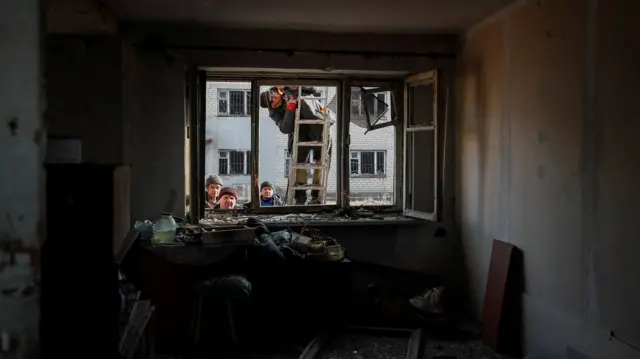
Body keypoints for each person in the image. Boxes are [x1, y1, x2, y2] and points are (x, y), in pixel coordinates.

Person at [259, 86, 333, 205]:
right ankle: (300, 197)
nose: (275, 95)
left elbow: (313, 90)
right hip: (300, 131)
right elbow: (285, 128)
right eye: (272, 98)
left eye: (273, 93)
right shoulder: (275, 112)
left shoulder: (287, 90)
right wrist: (290, 107)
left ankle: (316, 197)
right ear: (272, 105)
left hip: (319, 127)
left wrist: (293, 89)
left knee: (321, 162)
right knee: (299, 163)